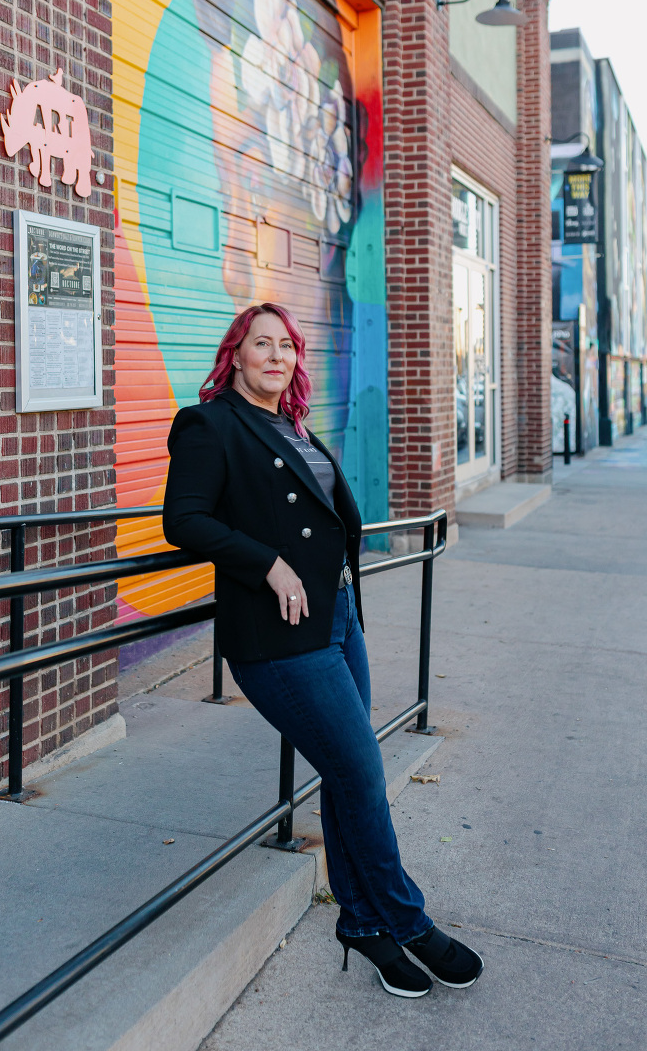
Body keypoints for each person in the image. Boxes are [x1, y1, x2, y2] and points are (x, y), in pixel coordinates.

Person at [163, 302, 483, 998]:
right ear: (236, 355)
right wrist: (265, 562)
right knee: (363, 768)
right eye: (261, 345)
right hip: (277, 638)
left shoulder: (291, 425)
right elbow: (182, 519)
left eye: (287, 346)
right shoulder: (210, 423)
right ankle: (410, 920)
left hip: (336, 620)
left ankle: (364, 926)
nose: (276, 356)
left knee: (346, 772)